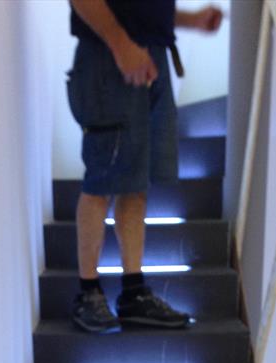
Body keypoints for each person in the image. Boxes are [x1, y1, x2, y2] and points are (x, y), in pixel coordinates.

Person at [67, 0, 223, 333]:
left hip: (152, 56)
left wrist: (191, 20)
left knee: (137, 183)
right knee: (102, 180)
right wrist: (121, 44)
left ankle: (133, 292)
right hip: (109, 57)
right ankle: (88, 293)